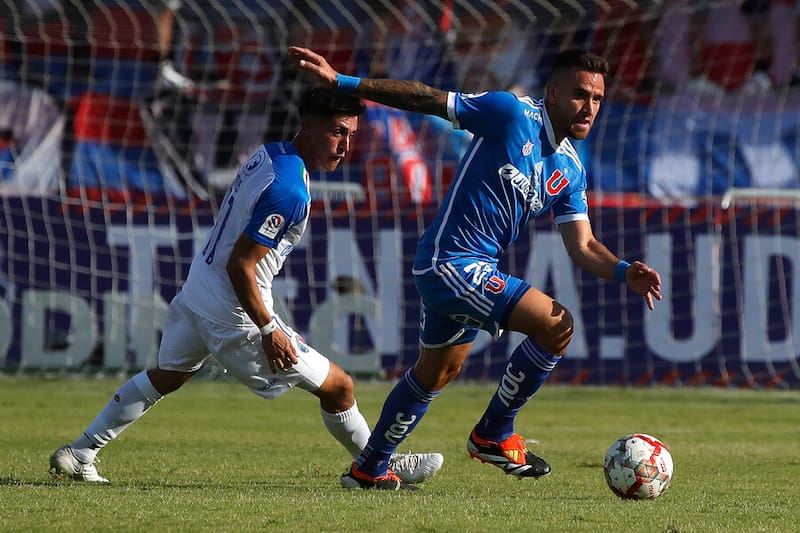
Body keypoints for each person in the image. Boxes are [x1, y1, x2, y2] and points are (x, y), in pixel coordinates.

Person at [290, 46, 662, 490]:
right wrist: (344, 82)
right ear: (553, 92)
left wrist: (623, 271)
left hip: (469, 269)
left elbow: (582, 246)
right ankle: (493, 433)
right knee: (557, 326)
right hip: (450, 262)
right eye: (581, 94)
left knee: (435, 375)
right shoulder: (510, 113)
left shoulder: (570, 169)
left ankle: (368, 468)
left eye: (598, 99)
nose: (589, 107)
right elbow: (426, 98)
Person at [48, 87, 443, 487]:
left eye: (352, 135)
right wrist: (270, 329)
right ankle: (374, 467)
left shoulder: (270, 154)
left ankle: (82, 450)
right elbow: (242, 265)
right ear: (308, 127)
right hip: (233, 311)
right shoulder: (290, 191)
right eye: (338, 132)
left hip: (199, 289)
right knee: (340, 387)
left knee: (169, 375)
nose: (345, 146)